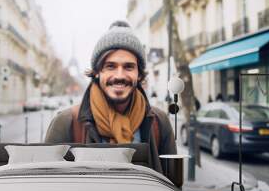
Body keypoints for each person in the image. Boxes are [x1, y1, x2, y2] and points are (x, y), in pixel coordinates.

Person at [45, 21, 176, 174]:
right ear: (97, 72)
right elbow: (47, 185)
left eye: (128, 67)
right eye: (110, 66)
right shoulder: (66, 122)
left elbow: (172, 185)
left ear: (139, 74)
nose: (119, 76)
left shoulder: (159, 122)